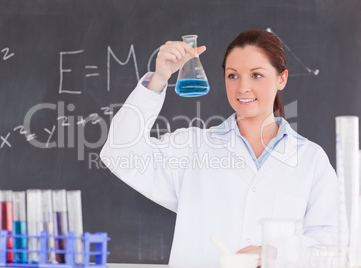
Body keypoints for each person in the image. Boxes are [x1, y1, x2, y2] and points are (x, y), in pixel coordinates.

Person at [100, 30, 348, 266]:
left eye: (257, 75)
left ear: (281, 78)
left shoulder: (310, 160)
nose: (242, 87)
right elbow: (121, 154)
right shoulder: (194, 148)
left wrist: (273, 255)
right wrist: (159, 78)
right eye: (233, 75)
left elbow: (331, 247)